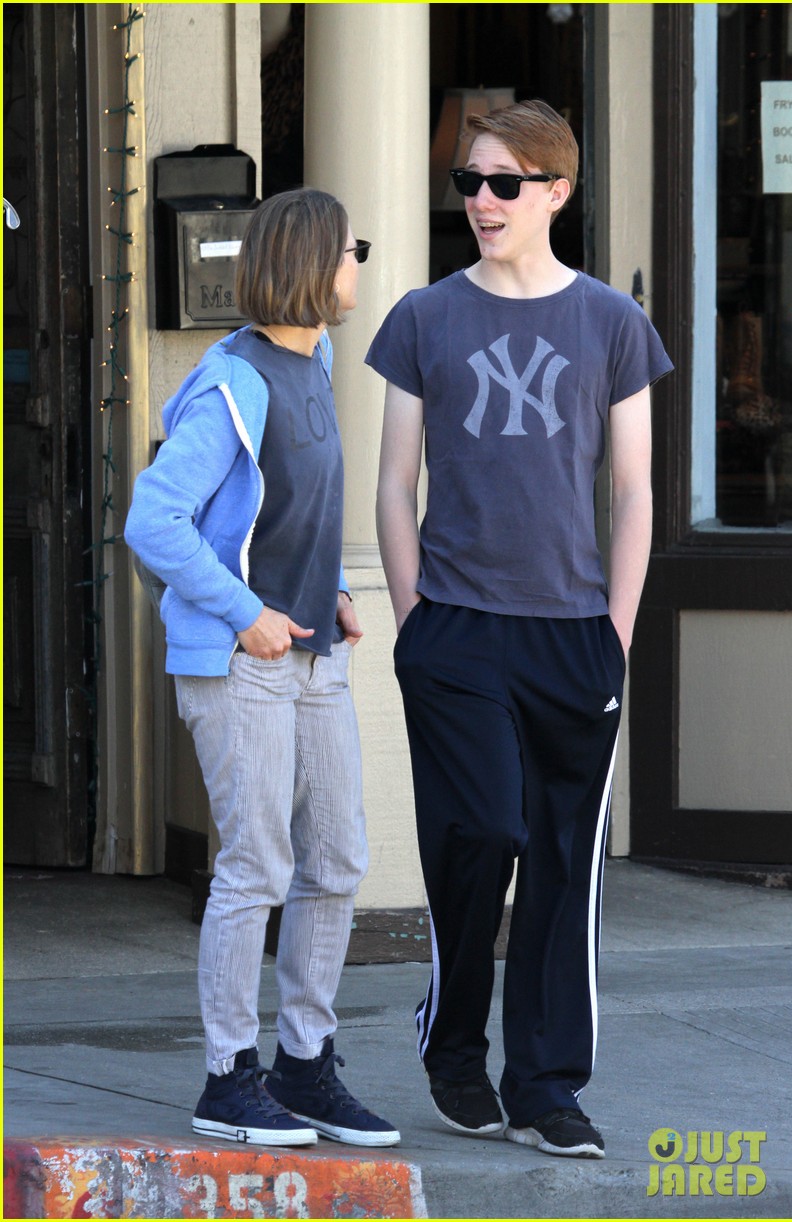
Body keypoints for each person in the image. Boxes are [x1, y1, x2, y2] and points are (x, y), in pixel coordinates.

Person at [366, 100, 673, 1159]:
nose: (481, 202)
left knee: (559, 862)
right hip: (455, 628)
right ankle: (452, 1039)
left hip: (573, 634)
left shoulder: (610, 325)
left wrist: (615, 635)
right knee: (485, 831)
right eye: (468, 183)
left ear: (556, 189)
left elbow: (631, 492)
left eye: (503, 182)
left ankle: (545, 1084)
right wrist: (415, 620)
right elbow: (395, 483)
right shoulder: (422, 316)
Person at [125, 188, 399, 1149]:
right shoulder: (232, 382)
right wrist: (246, 615)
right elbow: (152, 519)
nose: (359, 264)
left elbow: (288, 508)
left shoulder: (314, 358)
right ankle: (226, 1076)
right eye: (351, 249)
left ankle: (304, 1066)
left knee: (337, 857)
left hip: (313, 654)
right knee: (256, 864)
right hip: (241, 664)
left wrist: (323, 590)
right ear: (312, 263)